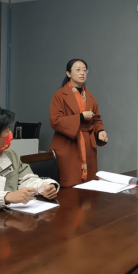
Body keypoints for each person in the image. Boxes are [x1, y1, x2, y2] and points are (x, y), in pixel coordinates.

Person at [49, 59, 108, 187]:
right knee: (69, 183)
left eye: (84, 70)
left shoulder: (90, 96)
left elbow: (96, 119)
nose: (82, 73)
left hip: (87, 143)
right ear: (68, 73)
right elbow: (55, 120)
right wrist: (80, 117)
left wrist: (100, 130)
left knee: (90, 184)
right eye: (78, 70)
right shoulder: (59, 95)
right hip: (68, 143)